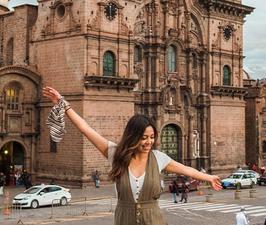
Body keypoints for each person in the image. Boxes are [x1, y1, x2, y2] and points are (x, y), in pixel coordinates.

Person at [43, 87, 221, 225]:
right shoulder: (115, 153)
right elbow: (86, 128)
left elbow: (186, 169)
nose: (148, 142)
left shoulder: (158, 158)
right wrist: (62, 103)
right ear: (133, 136)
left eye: (152, 138)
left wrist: (209, 177)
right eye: (143, 138)